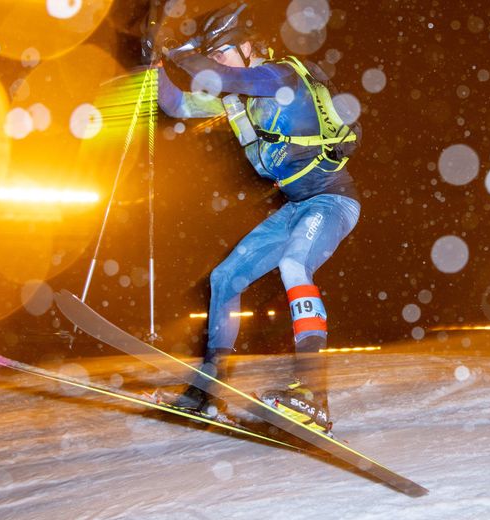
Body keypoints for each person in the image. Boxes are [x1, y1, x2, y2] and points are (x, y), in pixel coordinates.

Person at [152, 3, 361, 434]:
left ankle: (311, 394)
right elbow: (175, 105)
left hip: (332, 202)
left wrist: (176, 50)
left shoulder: (280, 75)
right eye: (216, 56)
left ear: (249, 47)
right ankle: (206, 391)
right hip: (296, 208)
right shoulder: (237, 100)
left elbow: (226, 77)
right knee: (225, 278)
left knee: (293, 264)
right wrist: (153, 66)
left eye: (225, 52)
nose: (220, 63)